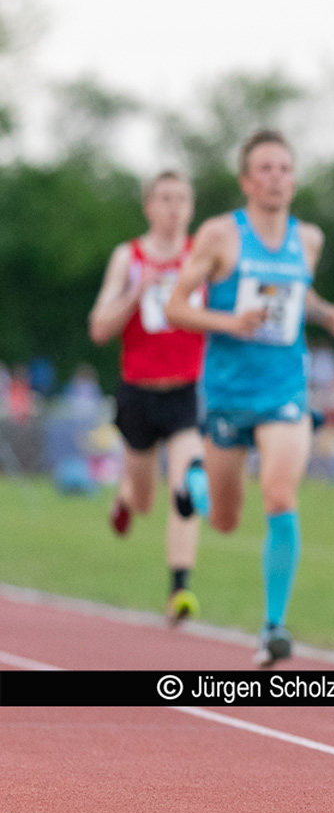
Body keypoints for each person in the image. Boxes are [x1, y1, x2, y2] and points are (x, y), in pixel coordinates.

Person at [164, 130, 334, 667]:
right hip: (226, 392)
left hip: (284, 388)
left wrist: (326, 313)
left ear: (293, 179)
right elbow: (177, 308)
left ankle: (274, 628)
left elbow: (299, 294)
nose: (275, 177)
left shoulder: (308, 239)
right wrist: (230, 321)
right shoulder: (220, 236)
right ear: (247, 181)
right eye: (264, 169)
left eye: (284, 168)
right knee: (223, 520)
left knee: (278, 494)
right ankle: (192, 483)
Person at [88, 170, 205, 624]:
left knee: (186, 485)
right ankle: (124, 495)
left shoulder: (202, 257)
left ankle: (180, 589)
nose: (174, 207)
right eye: (165, 198)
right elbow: (99, 328)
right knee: (144, 500)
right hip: (138, 392)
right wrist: (137, 292)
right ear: (148, 206)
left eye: (182, 199)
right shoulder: (128, 257)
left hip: (185, 392)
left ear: (191, 209)